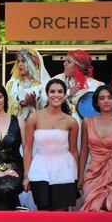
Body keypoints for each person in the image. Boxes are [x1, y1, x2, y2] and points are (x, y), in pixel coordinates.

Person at [24, 79, 79, 211]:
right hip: (40, 170)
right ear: (47, 94)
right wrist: (26, 176)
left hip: (64, 171)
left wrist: (78, 177)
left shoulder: (71, 121)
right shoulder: (34, 118)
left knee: (62, 214)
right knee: (43, 213)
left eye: (60, 92)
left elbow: (74, 150)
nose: (56, 95)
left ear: (65, 95)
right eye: (52, 91)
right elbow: (27, 149)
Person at [52, 50, 104, 136]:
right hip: (60, 125)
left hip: (86, 127)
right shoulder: (58, 80)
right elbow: (47, 102)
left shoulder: (95, 85)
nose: (64, 64)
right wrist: (67, 93)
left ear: (78, 66)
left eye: (68, 62)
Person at [6, 48, 50, 119]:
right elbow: (6, 106)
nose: (20, 64)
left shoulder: (44, 84)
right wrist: (23, 103)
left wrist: (34, 104)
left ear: (32, 63)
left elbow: (48, 109)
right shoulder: (12, 84)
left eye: (23, 61)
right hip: (17, 126)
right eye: (18, 61)